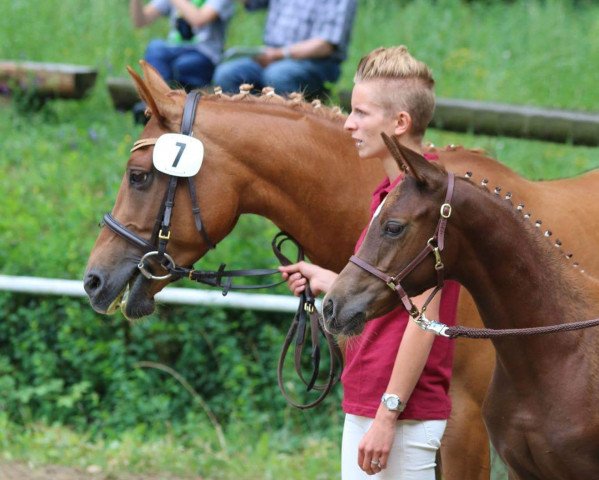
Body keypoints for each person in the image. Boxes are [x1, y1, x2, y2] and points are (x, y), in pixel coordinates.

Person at [279, 46, 460, 479]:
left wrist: (387, 415)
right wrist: (328, 280)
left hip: (398, 411)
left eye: (361, 113)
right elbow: (395, 289)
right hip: (371, 398)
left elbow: (424, 317)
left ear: (399, 123)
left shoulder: (425, 204)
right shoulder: (390, 197)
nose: (349, 123)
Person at [212, 0, 357, 98]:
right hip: (270, 55)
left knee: (277, 76)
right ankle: (243, 128)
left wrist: (279, 55)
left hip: (315, 62)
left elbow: (325, 45)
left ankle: (285, 131)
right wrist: (274, 55)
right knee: (225, 74)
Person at [130, 0, 235, 90]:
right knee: (155, 47)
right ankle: (155, 100)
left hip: (204, 54)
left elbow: (199, 19)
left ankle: (175, 102)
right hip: (172, 48)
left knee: (182, 66)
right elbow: (140, 21)